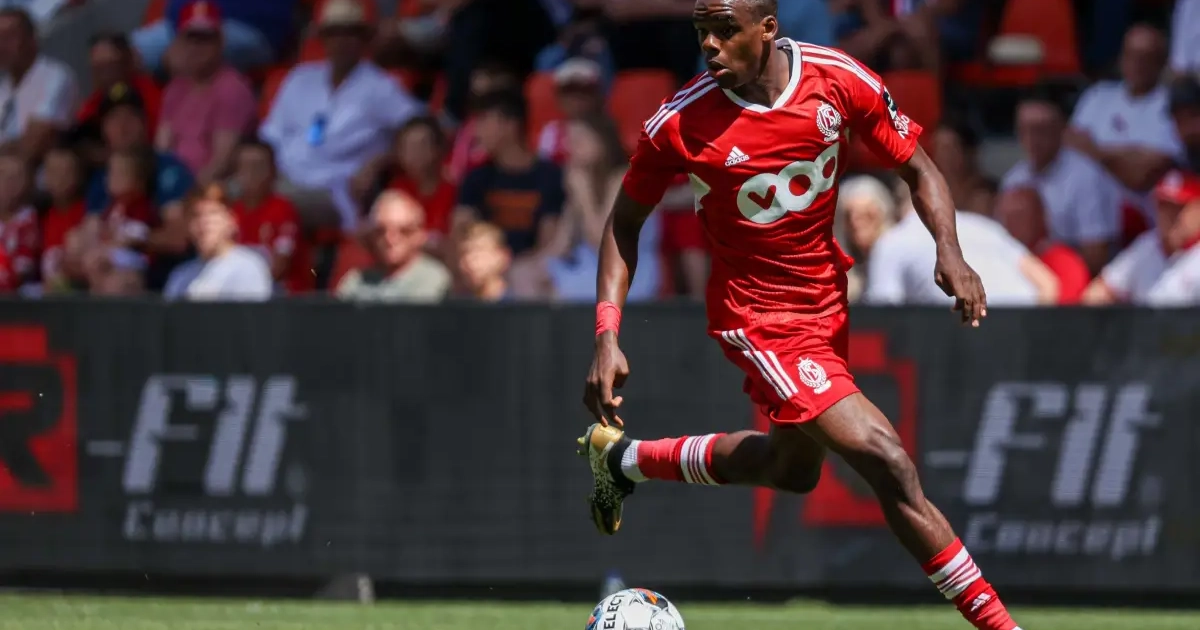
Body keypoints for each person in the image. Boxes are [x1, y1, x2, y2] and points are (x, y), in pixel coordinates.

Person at [577, 4, 1022, 630]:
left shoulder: (837, 78)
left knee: (790, 470)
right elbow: (623, 225)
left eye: (725, 30)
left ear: (767, 29)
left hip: (826, 304)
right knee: (886, 458)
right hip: (758, 317)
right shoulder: (679, 121)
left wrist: (949, 249)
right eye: (701, 32)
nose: (710, 45)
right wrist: (607, 334)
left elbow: (918, 168)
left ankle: (623, 460)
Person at [1082, 170, 1200, 306]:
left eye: (1178, 209)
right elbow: (1102, 289)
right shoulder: (1148, 244)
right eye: (1164, 207)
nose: (1170, 217)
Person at [334, 190, 451, 303]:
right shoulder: (356, 281)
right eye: (381, 231)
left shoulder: (434, 279)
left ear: (419, 235)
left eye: (404, 231)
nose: (390, 239)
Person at [164, 184, 273, 301]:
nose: (204, 222)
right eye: (196, 215)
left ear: (231, 220)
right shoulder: (180, 276)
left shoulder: (248, 268)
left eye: (213, 213)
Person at [993, 187, 1091, 305]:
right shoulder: (995, 258)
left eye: (1019, 216)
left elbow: (1063, 309)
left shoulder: (1064, 262)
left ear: (1041, 217)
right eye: (1005, 217)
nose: (1011, 223)